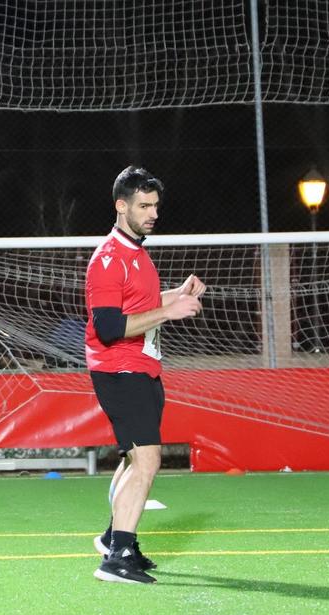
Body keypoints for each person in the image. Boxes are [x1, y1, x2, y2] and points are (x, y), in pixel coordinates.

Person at [85, 166, 206, 584]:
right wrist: (170, 311)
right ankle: (115, 558)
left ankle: (115, 538)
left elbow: (140, 305)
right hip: (119, 368)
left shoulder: (138, 254)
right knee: (147, 459)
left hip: (143, 366)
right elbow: (108, 327)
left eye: (155, 205)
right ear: (121, 206)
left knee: (134, 458)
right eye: (144, 206)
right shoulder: (108, 259)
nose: (153, 213)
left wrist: (176, 295)